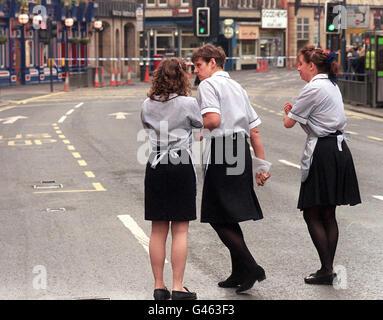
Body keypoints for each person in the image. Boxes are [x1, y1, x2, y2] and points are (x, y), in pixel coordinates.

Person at [191, 44, 271, 294]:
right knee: (228, 214)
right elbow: (254, 129)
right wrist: (261, 165)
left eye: (199, 65)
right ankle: (239, 271)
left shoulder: (208, 85)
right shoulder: (237, 86)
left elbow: (212, 120)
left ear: (213, 62)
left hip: (223, 149)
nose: (196, 71)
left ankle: (251, 266)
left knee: (217, 214)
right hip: (240, 149)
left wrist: (193, 125)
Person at [283, 45, 361, 285]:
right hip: (338, 150)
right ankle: (327, 268)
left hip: (323, 152)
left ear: (311, 66)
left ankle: (326, 269)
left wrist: (290, 111)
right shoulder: (331, 84)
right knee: (329, 212)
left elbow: (288, 123)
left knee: (312, 212)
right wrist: (296, 113)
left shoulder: (313, 88)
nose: (297, 67)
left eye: (300, 63)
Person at [141, 57, 203, 300]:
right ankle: (178, 286)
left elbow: (147, 128)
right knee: (180, 230)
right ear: (182, 77)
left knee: (157, 229)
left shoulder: (146, 104)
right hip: (179, 164)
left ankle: (159, 286)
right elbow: (199, 130)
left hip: (155, 164)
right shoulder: (188, 103)